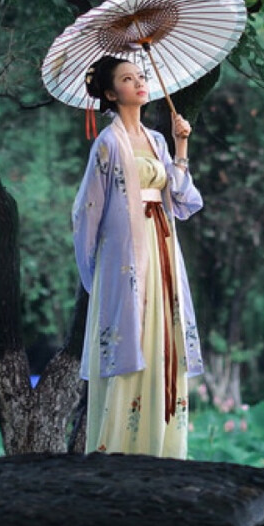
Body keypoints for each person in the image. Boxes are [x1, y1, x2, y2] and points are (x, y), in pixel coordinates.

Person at [72, 54, 203, 457]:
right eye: (128, 79)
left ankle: (161, 447)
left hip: (161, 244)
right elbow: (86, 210)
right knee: (132, 334)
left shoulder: (158, 140)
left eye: (141, 76)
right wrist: (98, 270)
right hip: (127, 254)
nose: (140, 83)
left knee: (162, 334)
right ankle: (121, 445)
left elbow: (181, 199)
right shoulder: (108, 144)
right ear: (112, 93)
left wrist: (182, 145)